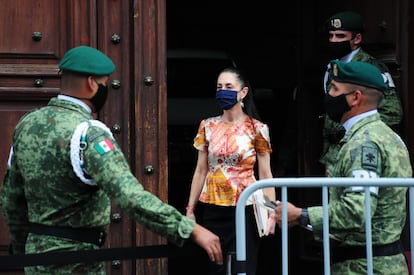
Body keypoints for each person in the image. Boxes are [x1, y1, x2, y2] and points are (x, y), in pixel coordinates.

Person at [0, 45, 223, 274]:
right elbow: (130, 196)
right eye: (104, 84)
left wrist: (23, 250)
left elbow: (11, 199)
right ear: (91, 84)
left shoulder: (26, 125)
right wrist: (188, 229)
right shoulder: (89, 134)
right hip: (78, 262)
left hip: (35, 259)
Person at [273, 60, 412, 274]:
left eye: (335, 89)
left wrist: (300, 214)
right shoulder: (387, 136)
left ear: (356, 97)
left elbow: (357, 211)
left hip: (363, 267)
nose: (329, 94)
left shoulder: (365, 142)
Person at [185, 67, 276, 275]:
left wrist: (271, 212)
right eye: (219, 87)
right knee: (215, 267)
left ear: (243, 93)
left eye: (228, 87)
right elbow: (200, 170)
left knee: (242, 267)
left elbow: (265, 174)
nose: (223, 91)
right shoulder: (207, 126)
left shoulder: (257, 128)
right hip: (213, 209)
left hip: (246, 208)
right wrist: (190, 209)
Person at [320, 11, 403, 174]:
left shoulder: (371, 69)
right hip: (333, 156)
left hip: (358, 152)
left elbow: (393, 114)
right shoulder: (332, 68)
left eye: (340, 36)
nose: (333, 41)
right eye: (331, 36)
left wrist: (354, 132)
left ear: (356, 39)